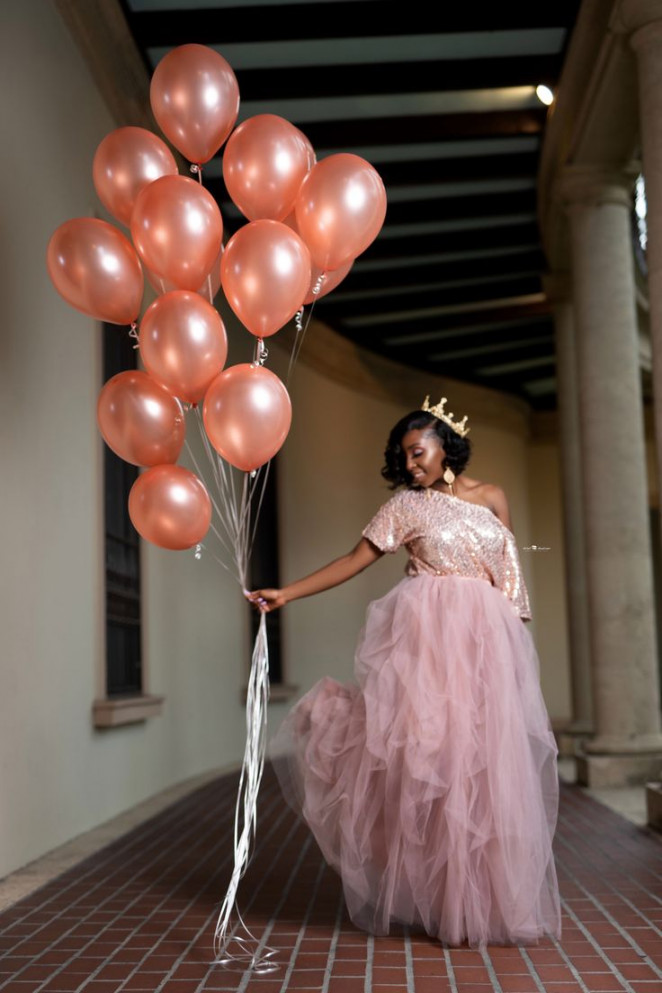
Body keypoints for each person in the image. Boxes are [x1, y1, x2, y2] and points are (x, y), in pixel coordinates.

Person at [246, 397, 561, 948]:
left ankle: (480, 904)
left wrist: (512, 656)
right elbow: (352, 560)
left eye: (418, 452)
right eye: (404, 457)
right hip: (427, 643)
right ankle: (441, 899)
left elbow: (509, 580)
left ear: (445, 445)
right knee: (431, 762)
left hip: (486, 644)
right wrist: (286, 594)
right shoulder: (405, 507)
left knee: (484, 769)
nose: (411, 464)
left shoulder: (491, 498)